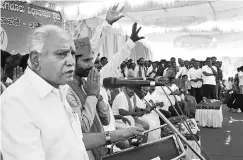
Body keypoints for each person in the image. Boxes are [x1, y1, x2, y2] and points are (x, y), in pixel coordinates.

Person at [1, 15, 143, 160]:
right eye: (61, 54)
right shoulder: (15, 101)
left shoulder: (59, 90)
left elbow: (75, 139)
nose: (70, 61)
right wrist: (92, 96)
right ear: (36, 59)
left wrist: (118, 134)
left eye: (71, 54)